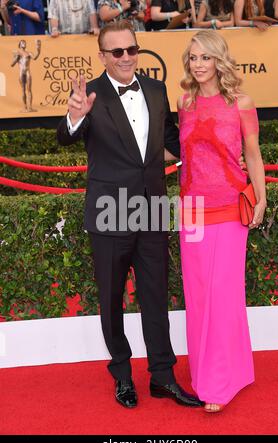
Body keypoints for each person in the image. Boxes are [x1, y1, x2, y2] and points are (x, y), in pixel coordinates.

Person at [56, 19, 204, 410]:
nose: (126, 58)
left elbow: (174, 141)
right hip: (109, 210)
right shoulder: (89, 94)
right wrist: (75, 116)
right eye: (117, 52)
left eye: (132, 49)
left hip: (152, 207)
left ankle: (163, 377)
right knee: (111, 297)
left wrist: (213, 151)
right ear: (103, 55)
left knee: (156, 294)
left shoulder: (155, 89)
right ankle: (122, 375)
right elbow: (66, 135)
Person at [178, 29, 266, 412]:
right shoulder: (183, 101)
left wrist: (261, 197)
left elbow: (252, 153)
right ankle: (208, 373)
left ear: (219, 60)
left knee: (224, 294)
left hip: (230, 208)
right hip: (192, 211)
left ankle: (219, 384)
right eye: (193, 58)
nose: (198, 65)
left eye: (205, 58)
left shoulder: (240, 101)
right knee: (198, 297)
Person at [11, 38, 41, 112]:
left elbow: (35, 57)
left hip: (27, 72)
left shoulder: (29, 53)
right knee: (23, 90)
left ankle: (30, 107)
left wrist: (38, 49)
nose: (24, 43)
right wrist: (17, 58)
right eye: (22, 43)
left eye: (24, 42)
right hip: (21, 73)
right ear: (20, 45)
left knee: (29, 90)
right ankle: (24, 107)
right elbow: (12, 64)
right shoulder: (17, 53)